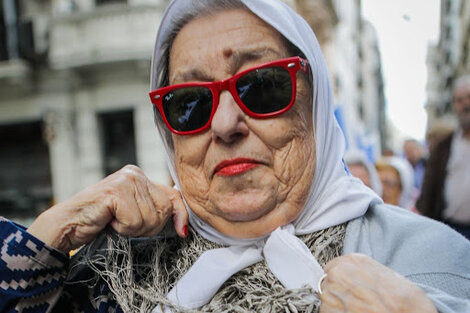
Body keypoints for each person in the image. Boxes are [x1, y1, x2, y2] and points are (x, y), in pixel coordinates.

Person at [1, 1, 469, 312]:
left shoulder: (421, 258)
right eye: (190, 103)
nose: (224, 124)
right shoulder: (116, 269)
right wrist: (53, 233)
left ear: (316, 101)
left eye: (261, 86)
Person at [417, 74, 470, 240]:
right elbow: (428, 192)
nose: (465, 104)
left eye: (469, 97)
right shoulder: (443, 147)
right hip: (452, 231)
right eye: (459, 100)